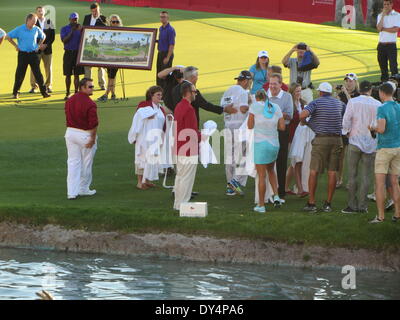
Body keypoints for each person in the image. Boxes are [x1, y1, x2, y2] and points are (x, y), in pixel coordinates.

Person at [300, 82, 345, 213]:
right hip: (337, 139)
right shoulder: (339, 103)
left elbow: (302, 115)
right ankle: (328, 204)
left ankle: (312, 203)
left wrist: (305, 123)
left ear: (320, 92)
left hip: (321, 140)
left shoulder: (316, 102)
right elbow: (346, 116)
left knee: (314, 171)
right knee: (332, 172)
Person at [341, 81, 381, 214]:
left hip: (355, 140)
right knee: (366, 176)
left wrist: (346, 132)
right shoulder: (377, 104)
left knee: (352, 175)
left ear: (360, 90)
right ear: (370, 90)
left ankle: (352, 205)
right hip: (370, 142)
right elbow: (377, 124)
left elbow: (346, 119)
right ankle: (362, 206)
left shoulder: (353, 102)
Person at [248, 89, 285, 212]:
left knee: (262, 175)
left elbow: (249, 126)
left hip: (261, 145)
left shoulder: (254, 107)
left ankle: (261, 205)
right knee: (271, 171)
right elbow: (282, 127)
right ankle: (276, 196)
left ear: (257, 98)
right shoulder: (276, 107)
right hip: (274, 144)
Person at [369, 82, 400, 223]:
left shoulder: (382, 108)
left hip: (385, 148)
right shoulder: (399, 106)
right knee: (394, 182)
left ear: (382, 93)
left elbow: (381, 129)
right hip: (397, 147)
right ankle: (397, 213)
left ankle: (381, 216)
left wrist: (372, 127)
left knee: (380, 184)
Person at [129, 86, 169, 190]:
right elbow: (138, 117)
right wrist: (146, 115)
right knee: (142, 158)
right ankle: (139, 182)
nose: (160, 97)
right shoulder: (144, 105)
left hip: (155, 138)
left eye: (161, 94)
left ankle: (147, 180)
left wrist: (163, 136)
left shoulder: (160, 108)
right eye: (158, 95)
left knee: (152, 159)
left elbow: (163, 123)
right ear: (151, 95)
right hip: (144, 137)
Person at [64, 78, 98, 200]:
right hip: (85, 134)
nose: (92, 88)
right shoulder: (90, 104)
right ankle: (83, 189)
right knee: (86, 163)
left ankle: (71, 192)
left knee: (73, 163)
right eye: (90, 86)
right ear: (82, 87)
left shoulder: (70, 100)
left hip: (70, 133)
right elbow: (94, 124)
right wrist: (92, 139)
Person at [222, 70, 252, 195]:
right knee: (243, 156)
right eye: (250, 82)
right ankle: (235, 182)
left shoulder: (228, 91)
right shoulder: (243, 92)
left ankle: (230, 187)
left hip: (228, 126)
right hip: (240, 128)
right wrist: (252, 106)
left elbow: (224, 107)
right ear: (245, 81)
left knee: (230, 157)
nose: (250, 84)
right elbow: (243, 108)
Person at [6, 13, 50, 99]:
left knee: (38, 74)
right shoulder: (20, 29)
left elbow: (43, 36)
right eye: (33, 21)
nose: (35, 23)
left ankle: (44, 92)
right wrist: (16, 46)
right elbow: (8, 36)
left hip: (33, 54)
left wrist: (38, 45)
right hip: (23, 54)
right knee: (20, 74)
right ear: (28, 20)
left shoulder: (36, 29)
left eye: (36, 21)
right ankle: (16, 93)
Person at [173, 81, 201, 210]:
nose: (196, 94)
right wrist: (203, 136)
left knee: (180, 177)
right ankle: (183, 204)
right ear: (188, 93)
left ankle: (178, 204)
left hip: (179, 147)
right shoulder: (189, 109)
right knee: (186, 179)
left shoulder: (179, 106)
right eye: (194, 91)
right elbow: (191, 133)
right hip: (189, 149)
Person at [266, 73, 294, 202]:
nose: (272, 86)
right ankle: (269, 191)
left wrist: (274, 112)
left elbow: (289, 115)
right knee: (267, 161)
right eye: (271, 83)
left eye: (275, 83)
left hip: (282, 132)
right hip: (267, 131)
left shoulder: (287, 96)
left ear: (281, 84)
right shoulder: (266, 94)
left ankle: (281, 191)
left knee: (281, 162)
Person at [335, 72, 361, 188]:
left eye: (350, 81)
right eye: (346, 81)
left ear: (355, 82)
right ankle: (339, 179)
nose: (348, 83)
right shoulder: (341, 94)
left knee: (353, 157)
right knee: (340, 155)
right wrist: (336, 95)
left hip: (354, 129)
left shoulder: (358, 95)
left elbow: (353, 106)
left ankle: (351, 181)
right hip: (342, 128)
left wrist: (345, 92)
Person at [285, 83, 308, 197]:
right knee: (295, 162)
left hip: (301, 137)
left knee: (294, 163)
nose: (299, 93)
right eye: (297, 91)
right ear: (292, 92)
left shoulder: (303, 103)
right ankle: (300, 189)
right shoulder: (289, 104)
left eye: (300, 91)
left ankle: (285, 186)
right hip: (291, 137)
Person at [98, 14, 123, 102]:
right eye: (113, 22)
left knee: (111, 76)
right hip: (108, 57)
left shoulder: (122, 32)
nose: (115, 23)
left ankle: (106, 94)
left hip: (117, 58)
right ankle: (113, 94)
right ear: (110, 22)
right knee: (111, 76)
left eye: (117, 22)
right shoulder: (107, 32)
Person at [29, 6, 55, 94]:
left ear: (44, 12)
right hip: (36, 49)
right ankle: (34, 87)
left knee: (48, 68)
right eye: (39, 11)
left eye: (42, 11)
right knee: (34, 68)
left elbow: (52, 36)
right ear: (36, 13)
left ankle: (48, 86)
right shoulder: (33, 22)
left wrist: (46, 45)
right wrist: (39, 45)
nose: (41, 12)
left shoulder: (49, 21)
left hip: (47, 49)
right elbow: (31, 36)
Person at [83, 2, 107, 90]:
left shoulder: (103, 18)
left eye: (96, 11)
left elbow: (106, 29)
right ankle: (88, 85)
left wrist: (99, 19)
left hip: (99, 46)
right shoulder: (87, 17)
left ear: (99, 9)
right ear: (91, 11)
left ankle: (102, 84)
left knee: (100, 66)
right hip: (88, 46)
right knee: (87, 66)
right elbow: (83, 30)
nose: (94, 13)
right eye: (93, 11)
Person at [60, 13, 85, 101]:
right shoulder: (64, 29)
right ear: (69, 19)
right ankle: (67, 92)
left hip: (77, 53)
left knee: (77, 75)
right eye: (73, 19)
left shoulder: (80, 29)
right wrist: (72, 31)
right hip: (68, 53)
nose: (74, 21)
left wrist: (81, 30)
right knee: (68, 74)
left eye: (76, 19)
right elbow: (64, 40)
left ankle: (76, 93)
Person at [376, 0, 400, 82]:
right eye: (384, 4)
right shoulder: (380, 15)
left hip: (391, 45)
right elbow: (379, 28)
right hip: (381, 45)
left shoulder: (396, 15)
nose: (385, 6)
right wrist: (383, 16)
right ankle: (384, 85)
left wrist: (384, 29)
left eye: (387, 4)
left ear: (391, 4)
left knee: (393, 67)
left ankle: (396, 86)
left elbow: (396, 29)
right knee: (383, 67)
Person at [156, 11, 176, 88]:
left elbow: (171, 44)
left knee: (164, 75)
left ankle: (165, 94)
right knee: (159, 73)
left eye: (164, 17)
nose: (162, 18)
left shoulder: (171, 30)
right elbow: (162, 41)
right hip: (160, 53)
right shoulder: (161, 28)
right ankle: (158, 92)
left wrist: (167, 57)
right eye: (161, 17)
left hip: (167, 54)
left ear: (168, 18)